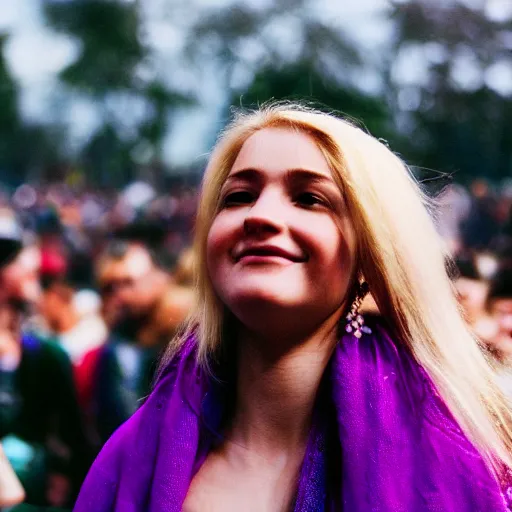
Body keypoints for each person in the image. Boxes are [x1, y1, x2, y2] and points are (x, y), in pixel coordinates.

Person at [74, 103, 512, 511]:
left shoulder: (456, 460)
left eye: (309, 199)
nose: (259, 216)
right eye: (238, 196)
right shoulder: (134, 456)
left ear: (370, 256)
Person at [0, 209, 90, 508]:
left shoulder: (45, 353)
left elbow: (73, 436)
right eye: (14, 257)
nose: (31, 265)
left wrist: (61, 479)